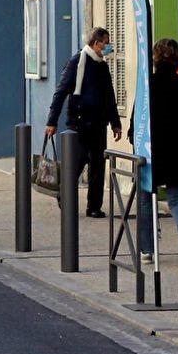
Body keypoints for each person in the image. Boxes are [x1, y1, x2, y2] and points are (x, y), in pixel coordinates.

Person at [135, 39, 178, 269]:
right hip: (176, 149)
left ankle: (147, 249)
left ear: (154, 58)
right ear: (177, 59)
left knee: (146, 198)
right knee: (175, 199)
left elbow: (138, 118)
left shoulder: (147, 84)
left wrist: (135, 138)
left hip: (150, 149)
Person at [45, 27, 123, 218]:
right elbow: (61, 91)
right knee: (77, 163)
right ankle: (65, 196)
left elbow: (109, 95)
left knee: (98, 165)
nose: (108, 46)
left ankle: (94, 206)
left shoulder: (102, 66)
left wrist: (115, 122)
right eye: (106, 42)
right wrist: (52, 121)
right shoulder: (77, 61)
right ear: (96, 43)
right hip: (79, 122)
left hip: (98, 123)